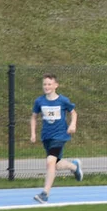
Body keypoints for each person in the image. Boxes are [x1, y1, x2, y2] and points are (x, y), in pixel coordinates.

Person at [30, 73, 82, 204]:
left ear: (55, 85)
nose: (46, 86)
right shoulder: (39, 101)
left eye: (49, 84)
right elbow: (34, 117)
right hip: (47, 137)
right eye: (44, 84)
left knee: (50, 161)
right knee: (56, 164)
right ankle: (74, 167)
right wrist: (33, 134)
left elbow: (73, 113)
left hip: (60, 136)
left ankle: (45, 194)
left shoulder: (63, 100)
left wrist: (73, 124)